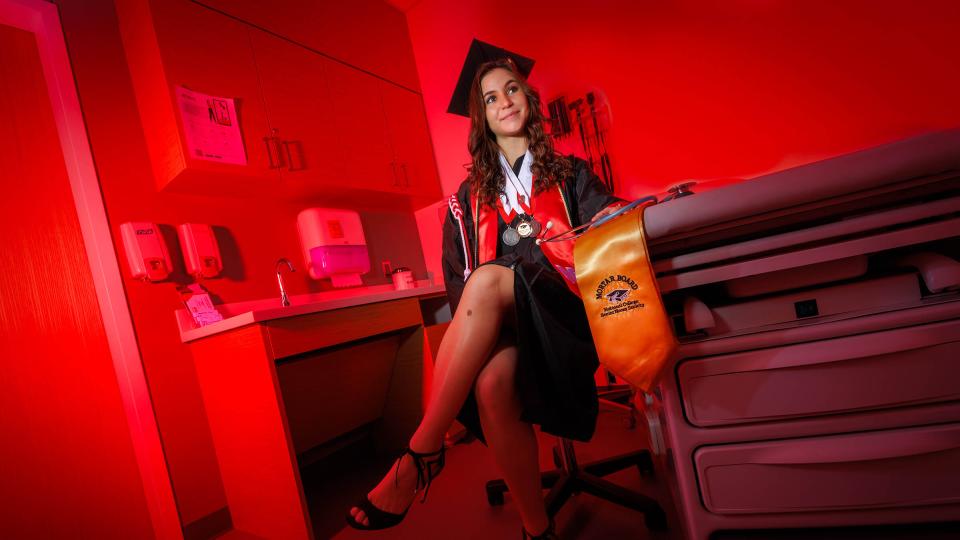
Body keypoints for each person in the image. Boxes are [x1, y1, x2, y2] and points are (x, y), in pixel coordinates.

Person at [346, 58, 624, 539]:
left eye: (512, 90)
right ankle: (537, 528)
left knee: (490, 280)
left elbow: (607, 229)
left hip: (563, 316)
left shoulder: (570, 174)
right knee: (491, 385)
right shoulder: (467, 199)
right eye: (491, 98)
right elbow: (460, 281)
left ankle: (422, 451)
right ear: (483, 119)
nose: (504, 102)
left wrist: (625, 212)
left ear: (529, 102)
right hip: (505, 326)